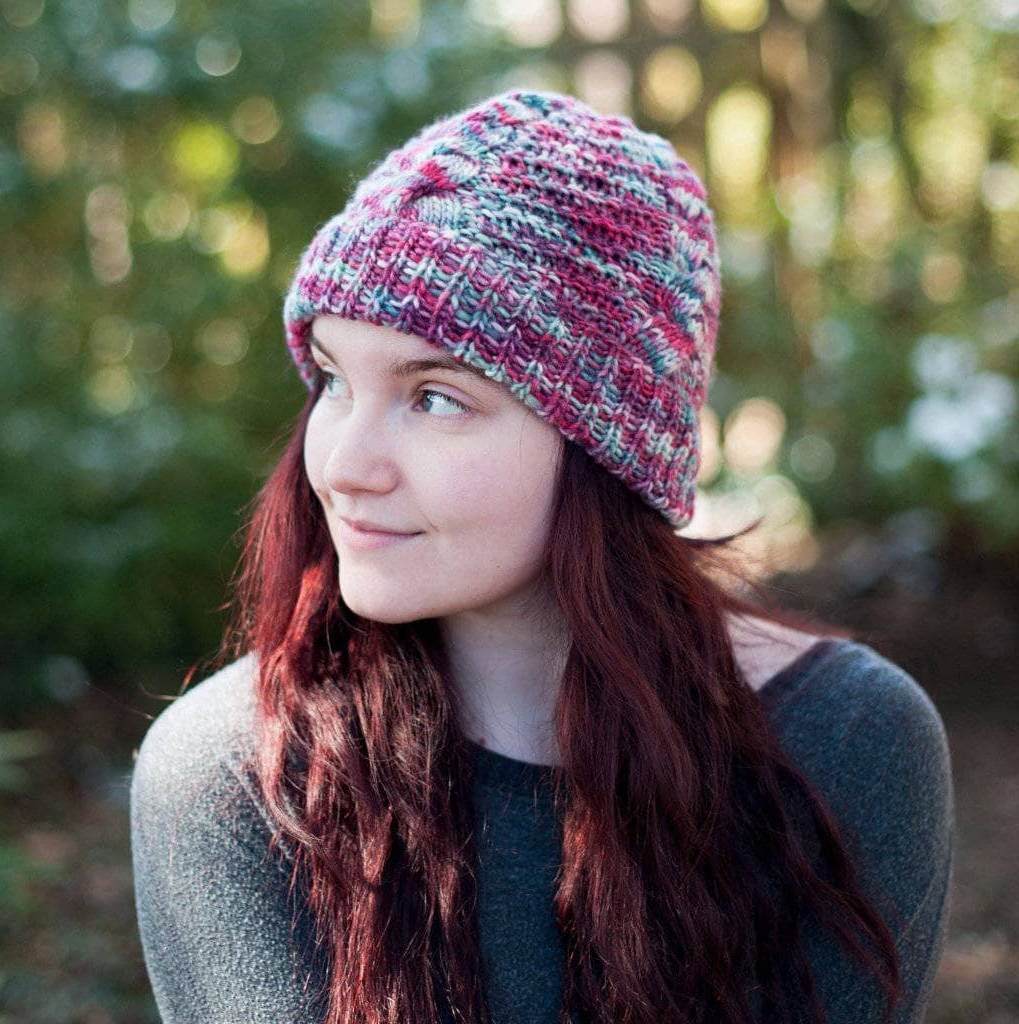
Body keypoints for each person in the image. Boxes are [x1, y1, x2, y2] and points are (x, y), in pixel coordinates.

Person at [128, 89, 954, 1024]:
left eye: (435, 395)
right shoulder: (238, 778)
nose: (345, 466)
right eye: (332, 378)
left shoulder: (845, 747)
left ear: (608, 446)